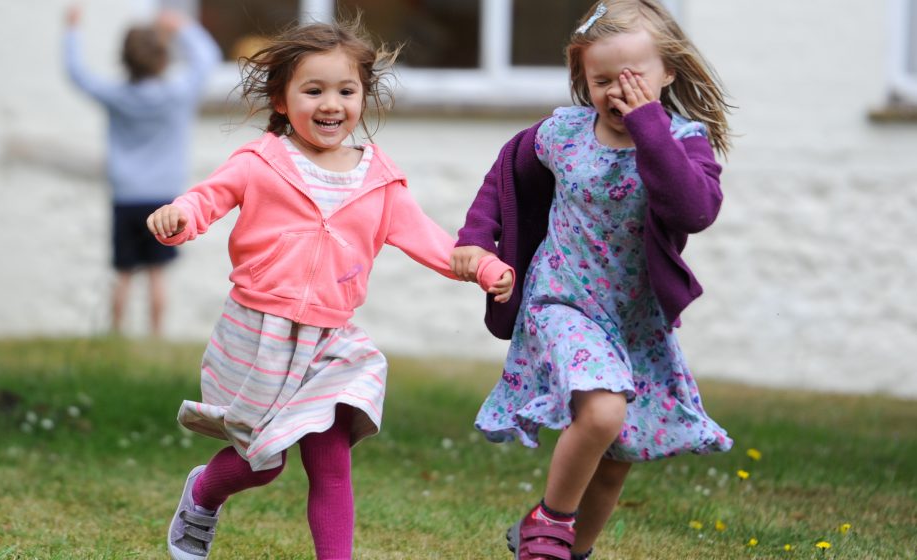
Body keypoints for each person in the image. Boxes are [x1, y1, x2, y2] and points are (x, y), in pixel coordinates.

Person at [146, 19, 513, 560]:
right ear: (281, 97)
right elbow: (208, 198)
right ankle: (203, 494)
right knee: (260, 464)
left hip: (330, 342)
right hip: (258, 335)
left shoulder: (379, 180)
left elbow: (432, 240)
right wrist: (181, 215)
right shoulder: (260, 162)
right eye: (313, 90)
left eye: (346, 90)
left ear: (364, 95)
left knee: (331, 458)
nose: (331, 104)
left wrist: (482, 266)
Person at [450, 2, 735, 559]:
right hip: (563, 301)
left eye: (634, 79)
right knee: (603, 410)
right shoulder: (564, 133)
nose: (617, 93)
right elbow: (506, 174)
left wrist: (650, 125)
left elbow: (693, 209)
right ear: (582, 78)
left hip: (635, 320)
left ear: (668, 72)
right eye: (602, 80)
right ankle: (548, 524)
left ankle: (563, 551)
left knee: (617, 455)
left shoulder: (681, 141)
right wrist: (476, 239)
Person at [64, 5, 221, 337]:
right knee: (157, 273)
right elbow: (208, 58)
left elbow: (77, 73)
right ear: (163, 59)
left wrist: (72, 31)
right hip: (165, 197)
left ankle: (116, 334)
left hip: (125, 195)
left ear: (124, 60)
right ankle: (156, 336)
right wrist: (181, 26)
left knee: (123, 272)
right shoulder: (177, 94)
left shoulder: (115, 96)